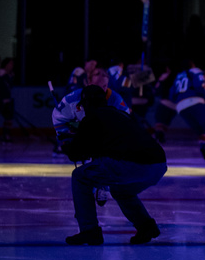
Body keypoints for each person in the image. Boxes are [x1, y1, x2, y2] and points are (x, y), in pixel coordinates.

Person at [63, 85, 167, 245]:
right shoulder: (120, 114)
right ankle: (147, 227)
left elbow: (75, 154)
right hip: (158, 165)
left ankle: (89, 230)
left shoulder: (91, 118)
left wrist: (68, 141)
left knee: (79, 177)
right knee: (121, 190)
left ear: (85, 104)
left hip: (130, 165)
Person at [52, 67, 130, 155]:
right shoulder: (72, 99)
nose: (101, 91)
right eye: (97, 86)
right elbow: (58, 115)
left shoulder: (116, 100)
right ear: (88, 82)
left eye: (104, 86)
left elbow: (126, 121)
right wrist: (65, 139)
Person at [169, 60, 205, 162]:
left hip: (180, 106)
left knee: (201, 130)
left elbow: (171, 94)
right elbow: (200, 86)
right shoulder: (195, 71)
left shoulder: (178, 76)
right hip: (194, 100)